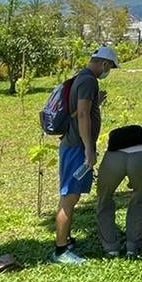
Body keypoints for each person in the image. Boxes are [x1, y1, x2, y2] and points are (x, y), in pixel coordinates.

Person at [54, 46, 120, 265]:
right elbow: (82, 114)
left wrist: (96, 103)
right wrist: (88, 148)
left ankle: (66, 239)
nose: (107, 71)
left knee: (71, 196)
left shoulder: (82, 78)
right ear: (104, 64)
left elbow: (81, 109)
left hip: (72, 144)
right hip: (76, 147)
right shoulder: (89, 80)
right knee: (69, 197)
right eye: (109, 67)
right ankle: (60, 251)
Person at [95, 122, 142, 258]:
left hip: (113, 159)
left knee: (104, 198)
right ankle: (133, 247)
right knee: (140, 198)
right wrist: (137, 182)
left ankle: (111, 247)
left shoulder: (117, 143)